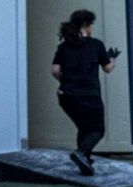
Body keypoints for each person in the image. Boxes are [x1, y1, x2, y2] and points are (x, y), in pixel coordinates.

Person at [50, 9, 117, 176]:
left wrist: (64, 82)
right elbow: (108, 68)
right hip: (89, 96)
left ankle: (84, 161)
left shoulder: (63, 47)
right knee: (97, 130)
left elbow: (55, 70)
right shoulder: (96, 45)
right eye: (91, 25)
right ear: (86, 25)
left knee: (84, 127)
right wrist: (112, 58)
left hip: (67, 96)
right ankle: (81, 153)